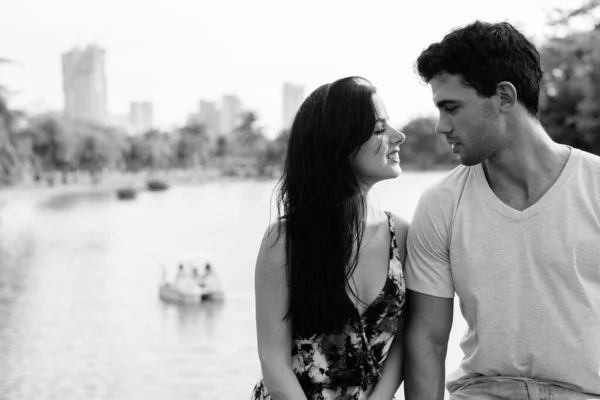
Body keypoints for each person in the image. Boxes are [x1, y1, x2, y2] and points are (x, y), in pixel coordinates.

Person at [403, 20, 600, 400]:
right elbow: (427, 339)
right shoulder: (441, 203)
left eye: (452, 107)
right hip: (483, 392)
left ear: (504, 97)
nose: (442, 126)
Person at [251, 76, 409, 400]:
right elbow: (273, 361)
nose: (399, 136)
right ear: (339, 145)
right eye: (380, 129)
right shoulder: (284, 241)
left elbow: (404, 342)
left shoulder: (402, 235)